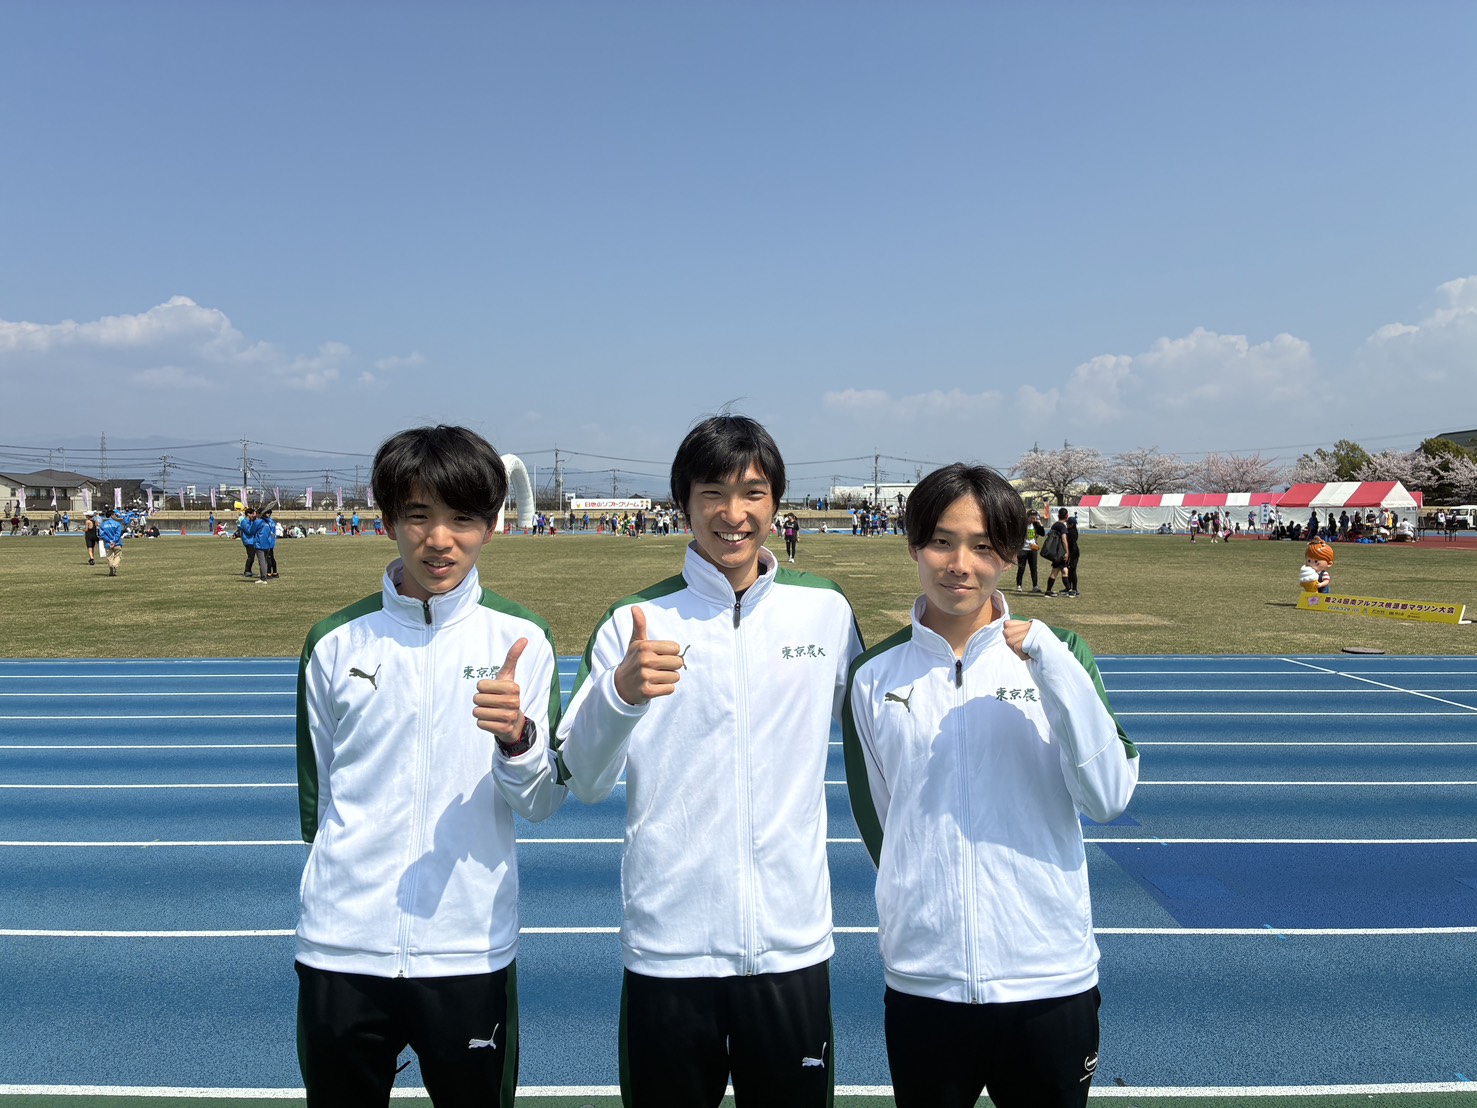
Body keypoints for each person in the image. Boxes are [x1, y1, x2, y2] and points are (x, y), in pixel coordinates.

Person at [557, 414, 862, 1107]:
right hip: (670, 947)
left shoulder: (824, 611)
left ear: (776, 502)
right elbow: (586, 780)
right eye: (712, 493)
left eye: (752, 493)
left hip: (789, 945)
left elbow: (880, 737)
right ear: (682, 503)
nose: (733, 513)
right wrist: (620, 695)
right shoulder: (633, 621)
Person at [843, 463, 1139, 1108]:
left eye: (983, 546)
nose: (960, 564)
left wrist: (1055, 670)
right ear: (914, 545)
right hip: (925, 980)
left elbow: (1108, 797)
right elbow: (884, 827)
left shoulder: (1061, 654)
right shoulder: (872, 675)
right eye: (941, 541)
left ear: (1009, 554)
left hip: (1047, 978)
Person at [295, 425, 565, 1108]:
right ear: (387, 519)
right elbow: (319, 805)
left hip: (468, 948)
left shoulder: (523, 640)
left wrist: (517, 739)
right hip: (342, 946)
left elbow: (540, 801)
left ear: (491, 526)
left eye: (462, 518)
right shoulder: (334, 643)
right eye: (418, 515)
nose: (439, 539)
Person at [1043, 507, 1072, 598]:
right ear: (1067, 516)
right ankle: (1049, 590)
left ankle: (1067, 589)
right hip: (1059, 552)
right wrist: (1067, 552)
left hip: (1055, 551)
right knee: (1056, 571)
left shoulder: (1055, 525)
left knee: (1063, 569)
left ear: (1058, 515)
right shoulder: (1062, 526)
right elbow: (1064, 540)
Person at [1015, 509, 1043, 593]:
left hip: (1033, 549)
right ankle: (1019, 585)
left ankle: (1035, 585)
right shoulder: (1022, 525)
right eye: (1032, 518)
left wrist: (1040, 525)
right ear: (1027, 517)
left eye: (1035, 518)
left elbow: (1042, 533)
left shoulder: (1035, 525)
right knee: (1021, 568)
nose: (1033, 519)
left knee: (1033, 568)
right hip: (1023, 549)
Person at [98, 507, 125, 576]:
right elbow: (118, 534)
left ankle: (111, 568)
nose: (116, 516)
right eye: (115, 515)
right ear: (112, 515)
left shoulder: (103, 525)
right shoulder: (117, 524)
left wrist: (109, 541)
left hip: (107, 543)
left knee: (109, 556)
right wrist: (114, 541)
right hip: (117, 543)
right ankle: (114, 566)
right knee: (118, 555)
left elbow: (102, 534)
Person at [255, 508, 279, 581]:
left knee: (268, 558)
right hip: (271, 541)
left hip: (268, 542)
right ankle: (274, 572)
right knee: (271, 557)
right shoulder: (271, 522)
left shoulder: (267, 522)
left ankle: (268, 573)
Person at [1064, 513, 1081, 597]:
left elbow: (1072, 545)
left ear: (1072, 524)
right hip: (1073, 552)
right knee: (1069, 570)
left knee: (1072, 570)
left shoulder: (1071, 532)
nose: (1067, 524)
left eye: (1068, 523)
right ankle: (1069, 587)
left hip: (1073, 552)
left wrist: (1070, 555)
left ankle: (1074, 589)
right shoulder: (1072, 530)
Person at [240, 507, 261, 577]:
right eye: (252, 514)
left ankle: (249, 570)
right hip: (248, 541)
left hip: (252, 541)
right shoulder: (244, 522)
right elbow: (249, 531)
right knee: (251, 556)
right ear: (248, 514)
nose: (253, 516)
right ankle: (247, 571)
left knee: (252, 556)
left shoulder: (251, 521)